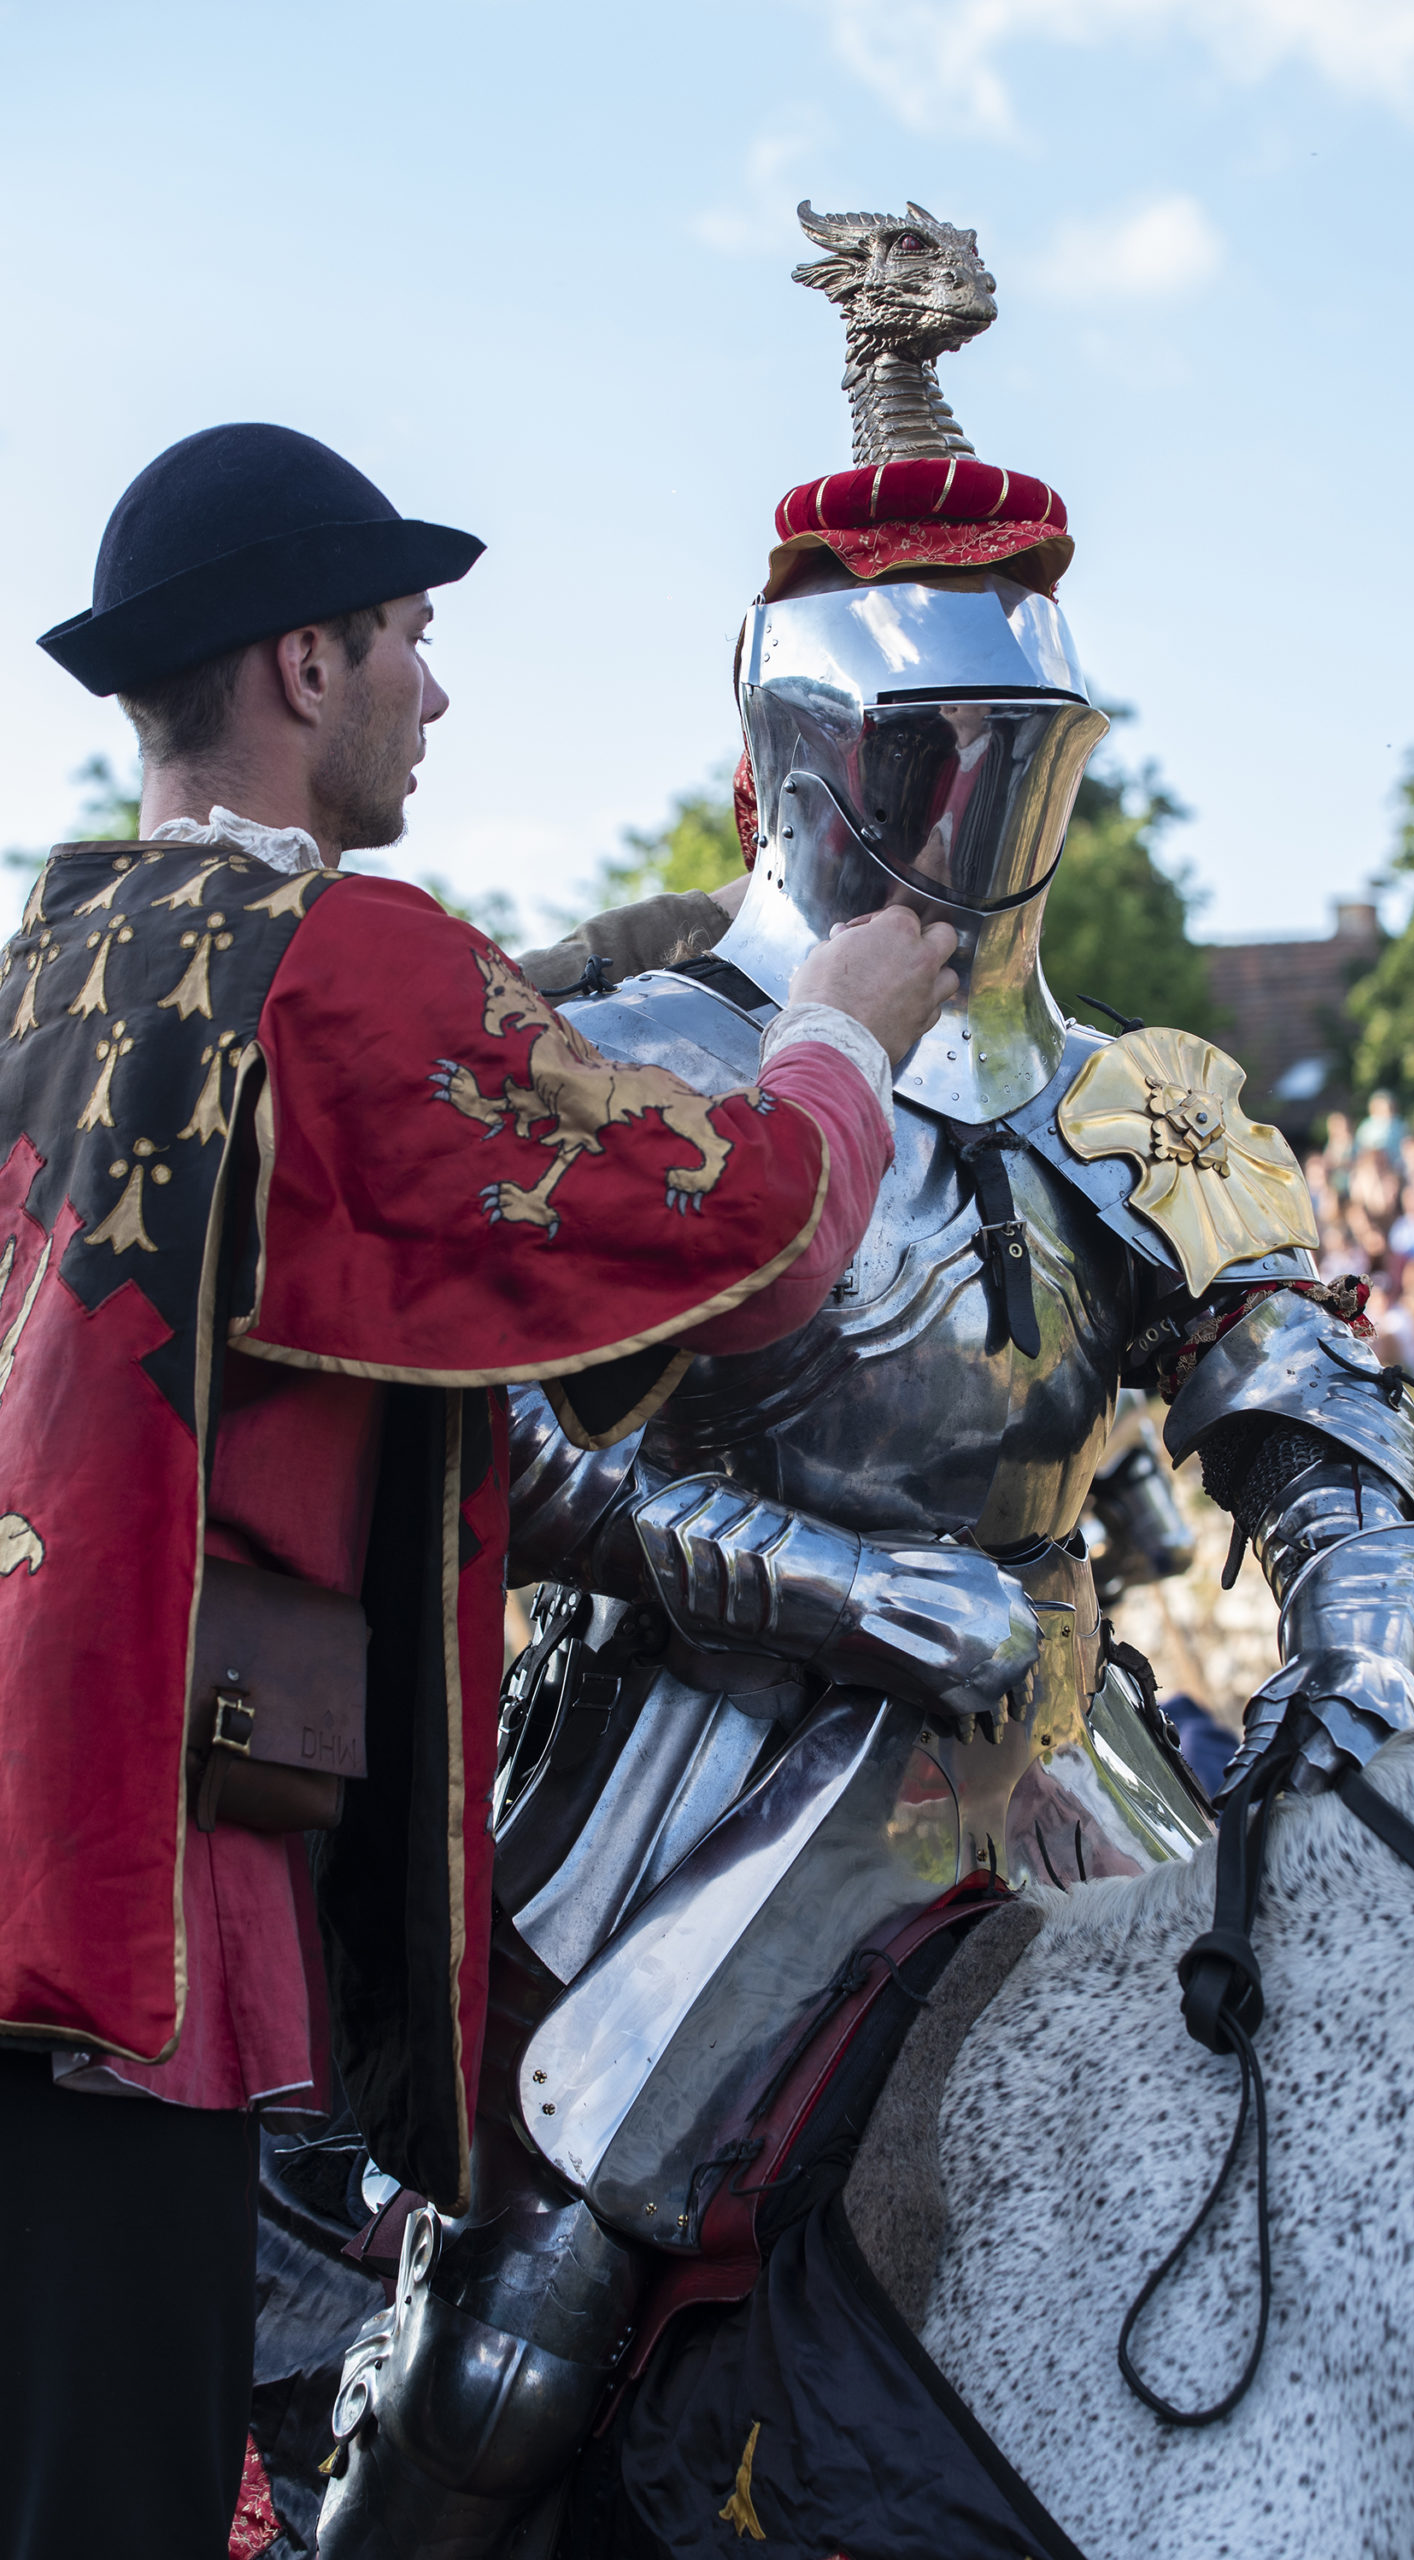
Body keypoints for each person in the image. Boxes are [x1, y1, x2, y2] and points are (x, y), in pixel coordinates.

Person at [315, 203, 1414, 2560]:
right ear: (803, 747)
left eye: (1009, 757)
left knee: (1342, 2152)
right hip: (696, 1763)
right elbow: (497, 1448)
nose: (964, 816)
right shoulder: (645, 1053)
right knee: (520, 2321)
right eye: (921, 754)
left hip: (1054, 1746)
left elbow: (1317, 1417)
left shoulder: (1140, 1097)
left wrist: (1356, 1652)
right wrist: (837, 1578)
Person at [0, 421, 957, 2560]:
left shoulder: (40, 961)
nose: (441, 689)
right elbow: (743, 1228)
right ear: (304, 663)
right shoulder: (331, 962)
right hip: (106, 1865)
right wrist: (838, 1026)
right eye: (415, 639)